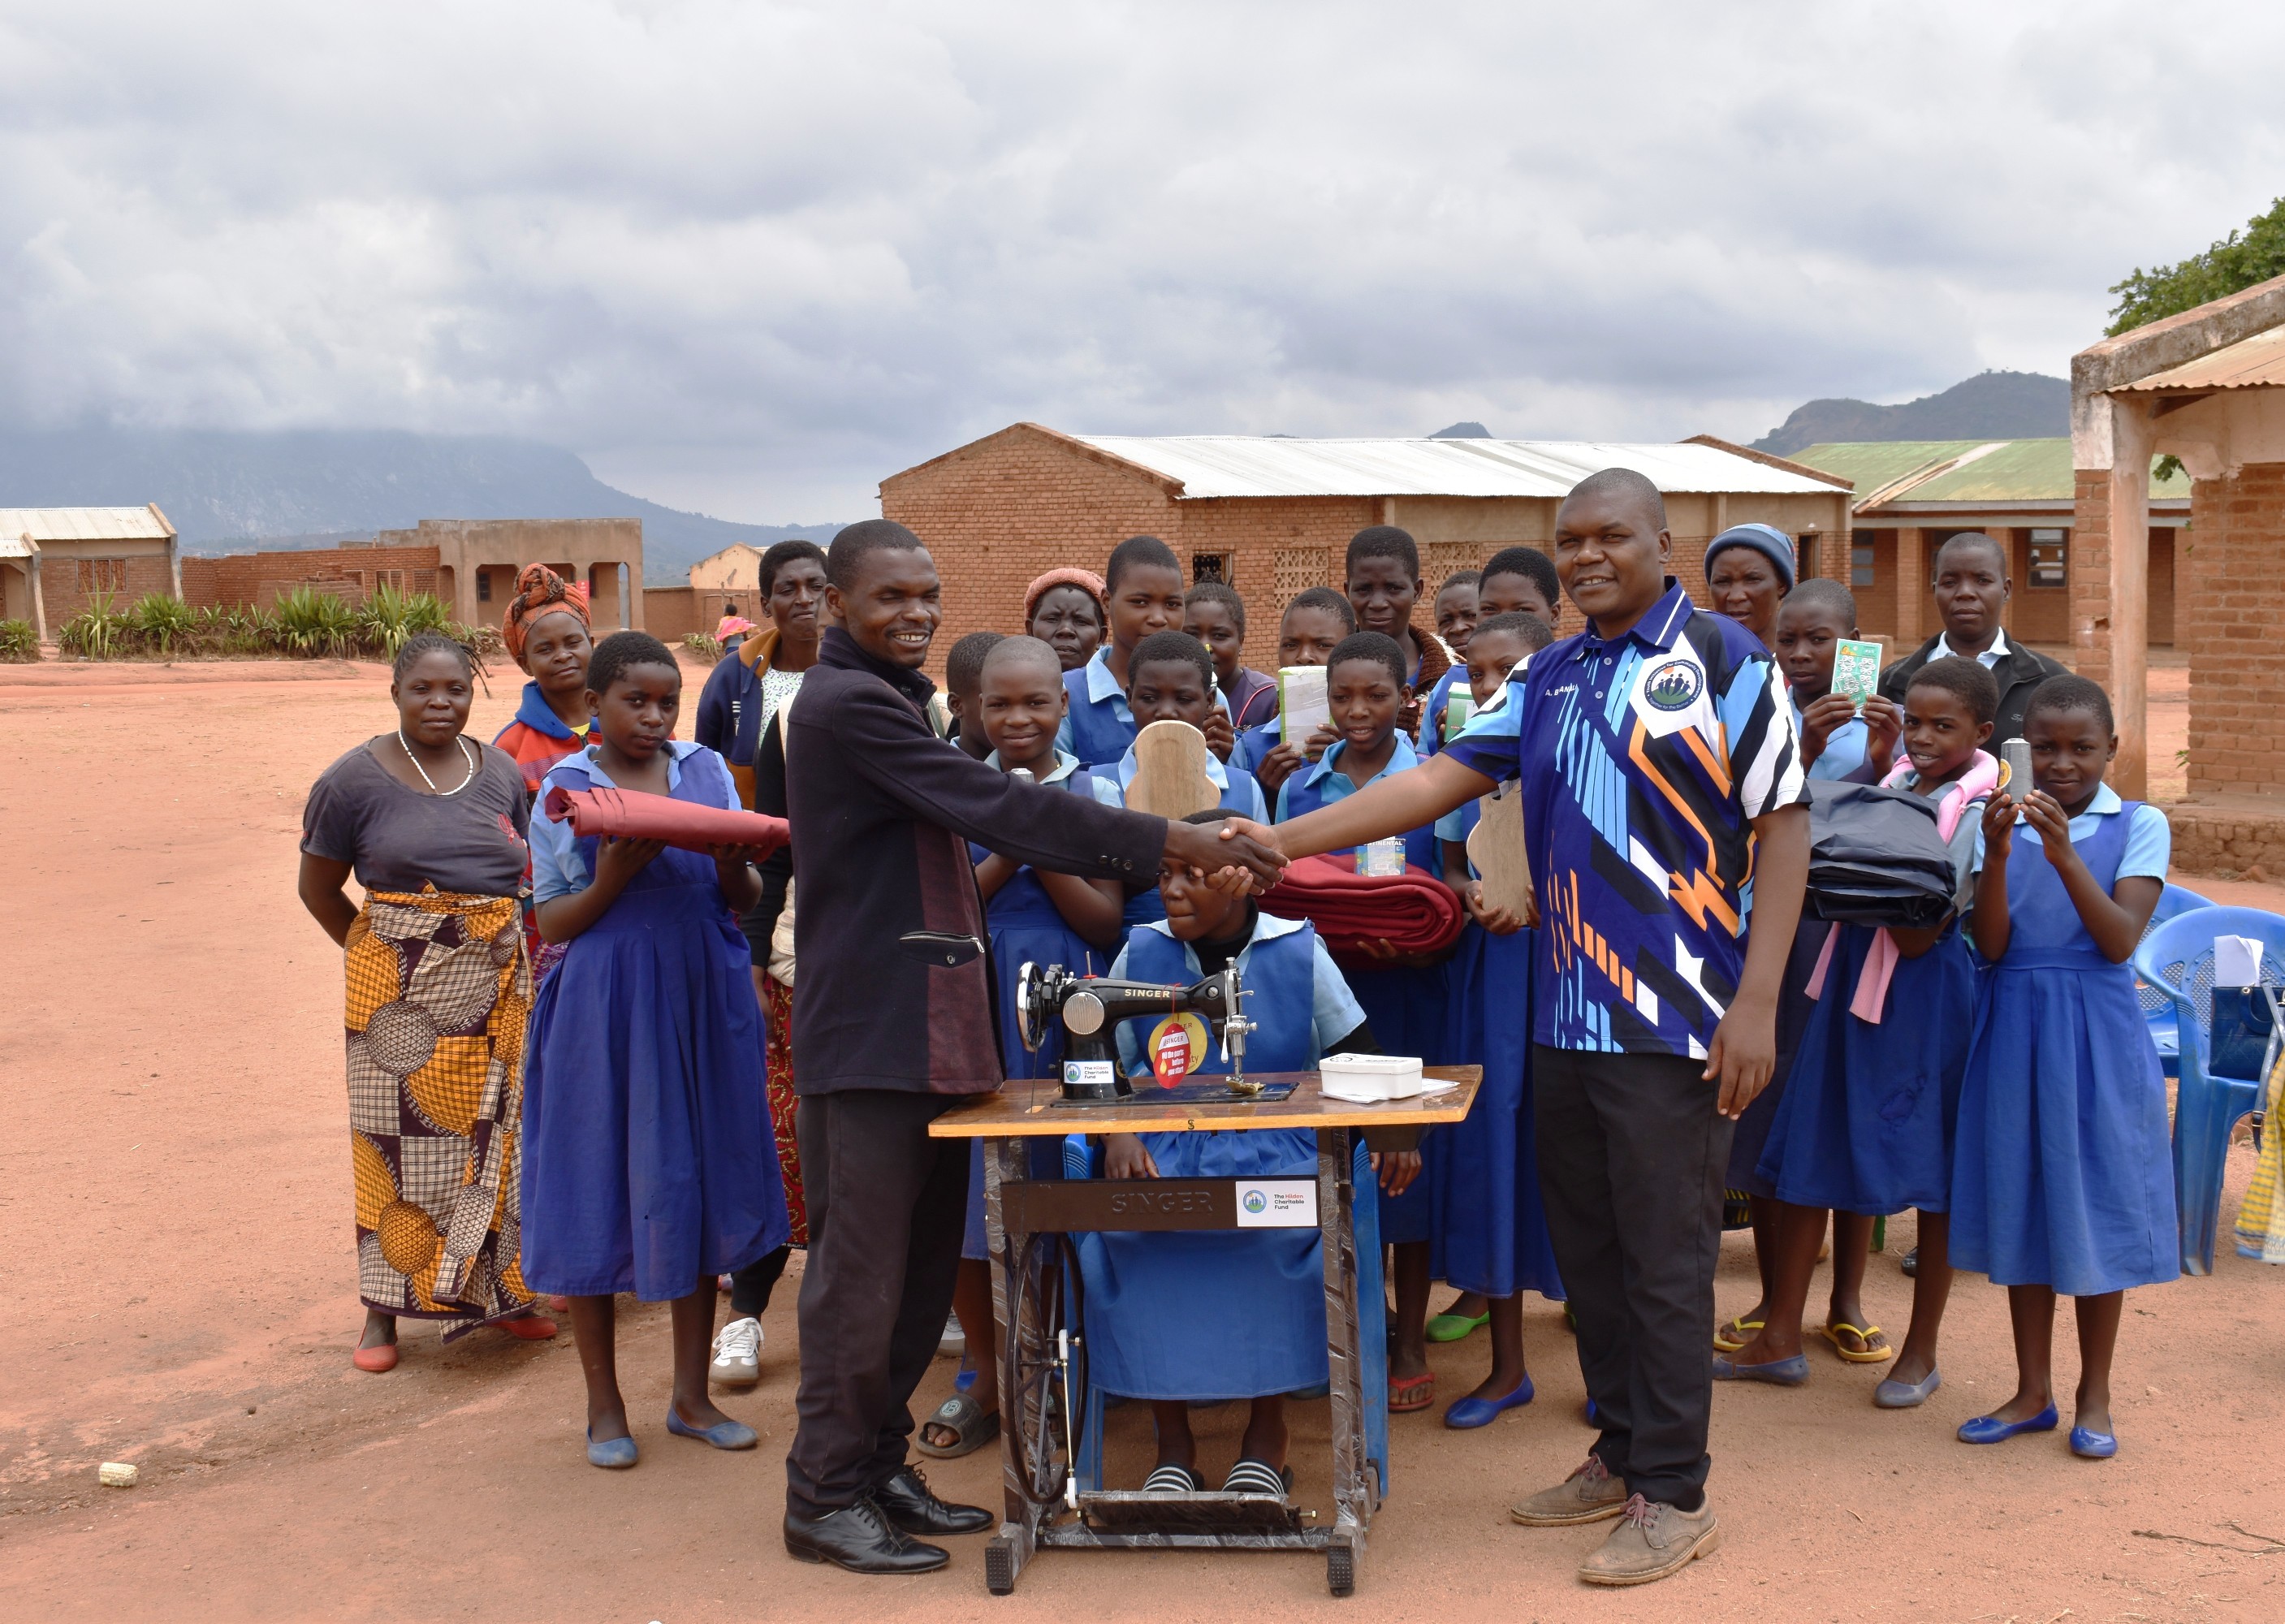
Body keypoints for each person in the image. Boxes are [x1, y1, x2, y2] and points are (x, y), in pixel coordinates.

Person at [1233, 468, 1810, 1587]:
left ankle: (1674, 1493)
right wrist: (1284, 840)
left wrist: (1756, 1004)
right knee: (1589, 1254)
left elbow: (1783, 830)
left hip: (1683, 1020)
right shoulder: (1547, 675)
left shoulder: (1728, 665)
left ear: (1660, 542)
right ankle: (1620, 1453)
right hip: (1565, 1015)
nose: (1588, 555)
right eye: (1570, 540)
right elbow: (1440, 779)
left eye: (1610, 537)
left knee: (1665, 1258)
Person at [780, 520, 1281, 1574]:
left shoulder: (890, 699)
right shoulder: (847, 707)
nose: (914, 613)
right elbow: (991, 802)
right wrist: (1173, 838)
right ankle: (822, 1494)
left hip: (928, 1031)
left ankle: (874, 1467)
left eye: (928, 593)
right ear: (835, 604)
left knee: (915, 1275)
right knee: (858, 1275)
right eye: (890, 598)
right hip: (871, 1033)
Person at [1076, 813, 1411, 1492]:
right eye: (1164, 873)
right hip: (1158, 1146)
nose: (1168, 890)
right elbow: (1098, 1061)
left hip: (1276, 1146)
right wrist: (1117, 1133)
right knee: (1135, 1241)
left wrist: (1397, 1131)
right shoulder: (1140, 954)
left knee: (1278, 1243)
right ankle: (1173, 1445)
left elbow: (1359, 1053)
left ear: (1240, 881)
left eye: (1190, 875)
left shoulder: (1298, 952)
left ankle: (1267, 1433)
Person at [520, 632, 790, 1468]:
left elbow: (739, 894)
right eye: (634, 700)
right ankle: (604, 1403)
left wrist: (738, 864)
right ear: (594, 705)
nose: (654, 715)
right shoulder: (566, 791)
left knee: (695, 1179)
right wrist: (613, 877)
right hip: (607, 999)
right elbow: (553, 920)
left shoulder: (704, 770)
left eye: (666, 700)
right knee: (596, 1180)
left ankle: (690, 1396)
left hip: (702, 991)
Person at [1721, 658, 1998, 1403]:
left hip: (1921, 1001)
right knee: (1814, 1138)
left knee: (1931, 1171)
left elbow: (1918, 931)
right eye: (1917, 722)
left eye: (1946, 726)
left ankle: (1921, 1350)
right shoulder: (1897, 785)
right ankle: (1781, 1336)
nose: (1927, 737)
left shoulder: (1979, 809)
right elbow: (1835, 876)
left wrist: (1860, 880)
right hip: (1847, 986)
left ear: (1984, 733)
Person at [296, 633, 558, 1372]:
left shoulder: (500, 769)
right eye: (424, 690)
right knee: (394, 1146)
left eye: (456, 691)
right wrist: (383, 962)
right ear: (395, 692)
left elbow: (518, 873)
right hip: (394, 999)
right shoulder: (352, 780)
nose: (441, 703)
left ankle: (503, 1296)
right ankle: (382, 1313)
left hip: (497, 984)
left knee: (496, 1138)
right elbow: (318, 890)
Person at [1951, 675, 2176, 1459]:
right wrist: (2004, 850)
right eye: (2043, 747)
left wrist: (2061, 851)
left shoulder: (2140, 823)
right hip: (2014, 1023)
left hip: (2098, 1036)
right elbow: (1993, 945)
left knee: (2097, 1204)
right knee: (2021, 1200)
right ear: (2019, 749)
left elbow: (2119, 940)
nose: (2062, 763)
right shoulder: (1995, 825)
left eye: (2082, 748)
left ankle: (2096, 1393)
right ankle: (2031, 1390)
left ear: (2112, 750)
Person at [917, 637, 1125, 1463]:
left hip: (1070, 997)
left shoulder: (1095, 788)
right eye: (998, 704)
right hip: (975, 996)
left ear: (1064, 705)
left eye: (1036, 701)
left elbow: (1105, 921)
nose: (1018, 717)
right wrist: (1015, 827)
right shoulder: (949, 790)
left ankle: (1076, 1362)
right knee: (974, 1190)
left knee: (1065, 1180)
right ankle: (985, 1366)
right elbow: (955, 901)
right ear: (967, 709)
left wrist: (1041, 828)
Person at [1272, 630, 1452, 1412]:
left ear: (1406, 698)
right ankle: (1347, 1328)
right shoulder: (1301, 790)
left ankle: (1408, 1335)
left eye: (1375, 695)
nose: (1356, 710)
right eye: (1341, 695)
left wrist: (1420, 940)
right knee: (1333, 1165)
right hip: (1326, 1001)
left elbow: (1454, 885)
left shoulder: (1436, 782)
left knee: (1406, 1159)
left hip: (1412, 991)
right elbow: (1283, 896)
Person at [1717, 577, 1893, 1355]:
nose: (1798, 653)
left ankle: (1848, 1297)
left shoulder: (1888, 721)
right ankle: (1767, 1300)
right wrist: (1807, 746)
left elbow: (1902, 816)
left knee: (1844, 1120)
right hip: (1773, 946)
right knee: (1768, 1119)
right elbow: (1745, 817)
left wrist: (1882, 756)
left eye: (1818, 639)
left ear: (1855, 644)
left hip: (1852, 943)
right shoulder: (1760, 715)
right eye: (1786, 639)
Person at [693, 538, 828, 1390]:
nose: (808, 601)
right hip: (791, 939)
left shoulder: (915, 703)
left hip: (884, 953)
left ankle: (910, 1309)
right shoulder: (754, 692)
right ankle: (746, 1310)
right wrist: (750, 939)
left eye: (822, 588)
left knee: (882, 1145)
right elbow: (758, 827)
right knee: (778, 1132)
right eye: (792, 589)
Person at [1423, 611, 1562, 1424]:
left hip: (1574, 972)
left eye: (1506, 673)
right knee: (1500, 1149)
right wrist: (1475, 896)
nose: (1487, 690)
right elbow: (1451, 865)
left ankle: (1608, 1376)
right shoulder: (1465, 768)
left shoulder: (1581, 763)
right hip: (1497, 973)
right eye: (1475, 675)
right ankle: (1508, 1365)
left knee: (1581, 1158)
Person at [1092, 630, 1269, 926]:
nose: (1166, 711)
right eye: (1149, 698)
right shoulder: (1097, 786)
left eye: (1184, 698)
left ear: (1210, 701)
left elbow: (1260, 888)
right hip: (1125, 959)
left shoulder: (1243, 788)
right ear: (1129, 699)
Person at [1877, 532, 2069, 747]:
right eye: (1949, 582)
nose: (1965, 593)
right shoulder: (1893, 682)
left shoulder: (2049, 681)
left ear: (2005, 590)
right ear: (1935, 591)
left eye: (1982, 581)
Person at [1058, 534, 1188, 768]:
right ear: (1107, 602)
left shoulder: (1205, 691)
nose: (1159, 619)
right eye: (1140, 602)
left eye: (1172, 604)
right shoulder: (1067, 696)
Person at [1419, 547, 1561, 755]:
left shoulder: (1571, 681)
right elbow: (1428, 769)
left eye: (1521, 610)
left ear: (1554, 614)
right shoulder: (1451, 684)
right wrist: (1450, 751)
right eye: (1489, 610)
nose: (1503, 622)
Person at [1237, 586, 1355, 791]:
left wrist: (1354, 757)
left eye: (1323, 645)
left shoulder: (1373, 741)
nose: (1304, 656)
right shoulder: (1250, 747)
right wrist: (1267, 794)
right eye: (1291, 645)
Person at [493, 564, 596, 794]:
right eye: (545, 649)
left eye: (573, 643)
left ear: (591, 644)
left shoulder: (633, 722)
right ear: (525, 663)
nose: (562, 655)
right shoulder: (511, 748)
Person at [1343, 525, 1453, 732]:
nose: (1377, 603)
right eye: (1364, 589)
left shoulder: (1455, 676)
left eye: (1393, 588)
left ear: (1417, 591)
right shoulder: (1317, 677)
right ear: (1348, 591)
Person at [1185, 581, 1276, 732]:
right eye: (1192, 635)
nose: (1204, 648)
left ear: (1241, 642)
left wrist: (1235, 751)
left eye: (1219, 636)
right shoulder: (1168, 698)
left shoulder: (1266, 699)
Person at [1703, 523, 1795, 647]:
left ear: (1781, 584)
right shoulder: (1695, 659)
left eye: (1752, 580)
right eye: (1722, 582)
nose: (1736, 597)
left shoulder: (1805, 662)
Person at [1023, 568, 1108, 673]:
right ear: (1030, 630)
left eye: (1081, 621)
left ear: (1101, 637)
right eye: (1052, 619)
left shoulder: (1119, 687)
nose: (1066, 630)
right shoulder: (1004, 686)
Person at [942, 630, 1006, 760]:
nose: (1018, 719)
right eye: (999, 705)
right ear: (956, 706)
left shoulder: (1050, 771)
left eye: (1031, 703)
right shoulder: (935, 777)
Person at [1433, 568, 1483, 659]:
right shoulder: (1428, 671)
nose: (1458, 628)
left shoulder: (1516, 669)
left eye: (1471, 616)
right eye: (1446, 621)